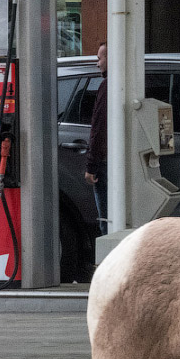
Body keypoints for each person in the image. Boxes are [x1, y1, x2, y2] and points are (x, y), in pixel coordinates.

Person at [84, 41, 108, 235]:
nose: (97, 64)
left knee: (107, 219)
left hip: (105, 163)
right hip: (109, 161)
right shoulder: (125, 83)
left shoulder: (107, 87)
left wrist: (92, 166)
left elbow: (98, 128)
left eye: (99, 58)